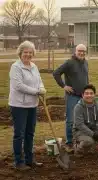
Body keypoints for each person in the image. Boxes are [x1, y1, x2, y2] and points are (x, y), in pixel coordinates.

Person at [9, 41, 46, 170]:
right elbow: (18, 86)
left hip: (32, 104)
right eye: (26, 52)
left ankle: (30, 159)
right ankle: (19, 161)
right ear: (20, 52)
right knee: (19, 133)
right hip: (19, 105)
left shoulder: (34, 66)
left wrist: (42, 88)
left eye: (30, 52)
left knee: (30, 133)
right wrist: (36, 91)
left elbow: (39, 81)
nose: (28, 55)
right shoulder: (16, 67)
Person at [53, 44, 89, 152]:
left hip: (83, 97)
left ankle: (78, 140)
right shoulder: (69, 62)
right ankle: (69, 143)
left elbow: (86, 78)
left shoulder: (85, 62)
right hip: (72, 96)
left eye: (84, 51)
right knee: (70, 120)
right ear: (75, 51)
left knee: (81, 120)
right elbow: (56, 73)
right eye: (79, 51)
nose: (82, 53)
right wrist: (64, 86)